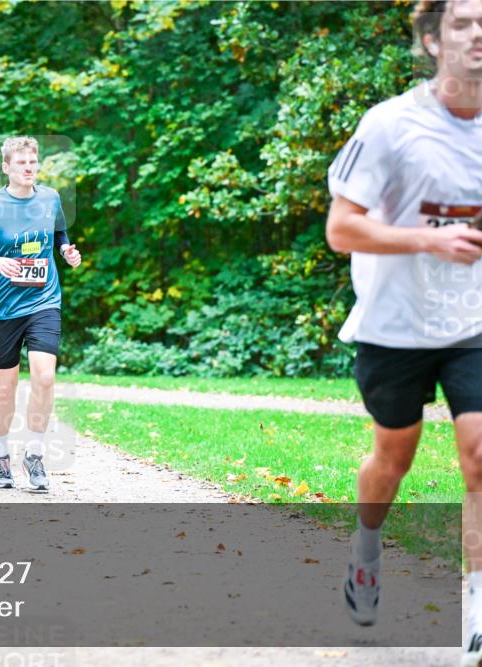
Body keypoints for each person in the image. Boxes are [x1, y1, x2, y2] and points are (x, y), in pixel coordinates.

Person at [324, 1, 482, 662]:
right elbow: (341, 229)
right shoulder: (390, 124)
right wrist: (427, 240)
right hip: (394, 327)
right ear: (431, 40)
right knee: (394, 457)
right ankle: (366, 547)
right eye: (463, 23)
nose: (479, 35)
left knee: (479, 450)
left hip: (473, 323)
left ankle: (475, 611)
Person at [0, 137, 82, 493]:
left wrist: (65, 250)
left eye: (33, 162)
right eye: (22, 163)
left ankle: (34, 454)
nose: (29, 168)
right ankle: (1, 456)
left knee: (44, 377)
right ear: (6, 167)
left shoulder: (50, 198)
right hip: (2, 308)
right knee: (6, 384)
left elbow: (60, 231)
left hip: (44, 300)